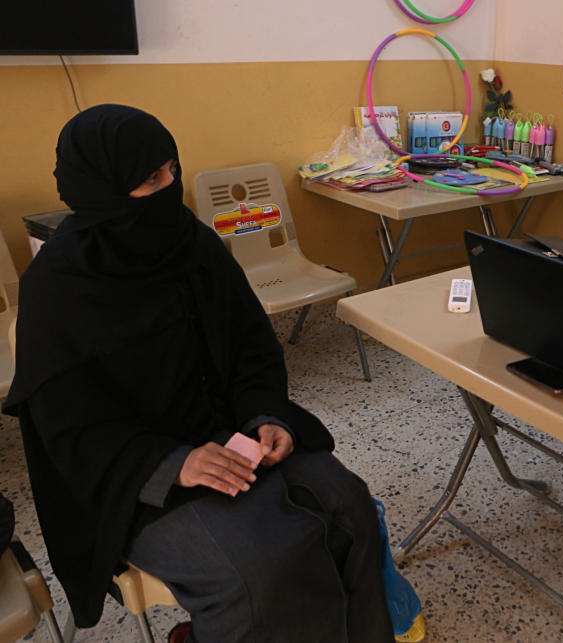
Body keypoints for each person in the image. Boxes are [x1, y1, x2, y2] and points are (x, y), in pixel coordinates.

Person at [3, 105, 394, 642]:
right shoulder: (59, 285)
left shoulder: (192, 242)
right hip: (133, 473)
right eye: (149, 179)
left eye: (170, 170)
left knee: (350, 506)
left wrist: (266, 413)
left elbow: (251, 346)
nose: (169, 188)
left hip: (231, 430)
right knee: (260, 569)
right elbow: (68, 429)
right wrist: (172, 463)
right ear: (101, 191)